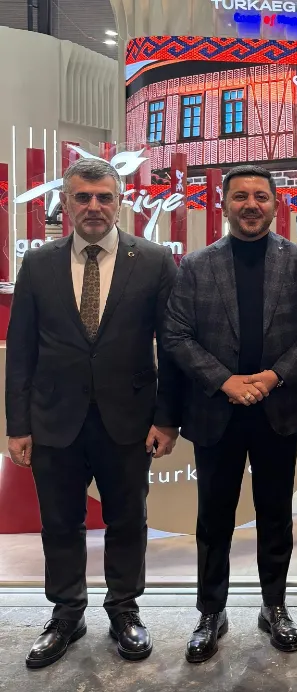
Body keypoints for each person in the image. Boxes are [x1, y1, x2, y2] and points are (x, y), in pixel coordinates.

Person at [6, 158, 182, 668]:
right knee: (61, 522)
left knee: (128, 519)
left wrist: (167, 418)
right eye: (82, 197)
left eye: (104, 196)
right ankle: (66, 613)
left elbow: (172, 347)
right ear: (65, 202)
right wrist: (18, 425)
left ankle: (124, 609)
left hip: (129, 418)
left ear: (120, 201)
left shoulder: (153, 261)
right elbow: (21, 350)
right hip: (53, 418)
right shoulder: (39, 263)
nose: (94, 206)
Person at [161, 166, 297, 663]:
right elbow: (175, 334)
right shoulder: (196, 266)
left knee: (276, 515)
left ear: (275, 204)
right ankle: (210, 611)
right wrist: (225, 381)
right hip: (216, 411)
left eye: (260, 196)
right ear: (224, 204)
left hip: (278, 409)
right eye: (240, 196)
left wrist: (274, 376)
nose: (251, 205)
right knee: (213, 518)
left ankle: (274, 605)